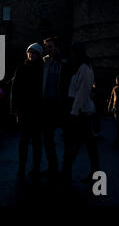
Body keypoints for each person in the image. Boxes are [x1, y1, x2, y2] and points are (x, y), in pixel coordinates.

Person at [61, 42, 99, 185]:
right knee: (88, 144)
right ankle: (94, 172)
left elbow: (82, 93)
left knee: (77, 143)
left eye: (74, 52)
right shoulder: (79, 67)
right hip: (78, 110)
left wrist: (74, 112)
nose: (72, 55)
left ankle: (66, 171)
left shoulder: (84, 68)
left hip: (81, 111)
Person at [11, 43, 44, 184]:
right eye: (29, 52)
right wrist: (15, 110)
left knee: (37, 142)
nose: (31, 54)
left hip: (38, 110)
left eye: (34, 52)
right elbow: (15, 89)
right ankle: (22, 167)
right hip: (25, 110)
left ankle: (36, 167)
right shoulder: (22, 68)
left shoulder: (43, 68)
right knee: (24, 142)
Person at [41, 36, 70, 180]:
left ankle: (65, 169)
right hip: (47, 103)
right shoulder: (44, 62)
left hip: (61, 103)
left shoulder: (67, 63)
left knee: (67, 138)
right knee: (47, 137)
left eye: (50, 47)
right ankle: (53, 167)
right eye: (46, 47)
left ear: (57, 47)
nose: (48, 50)